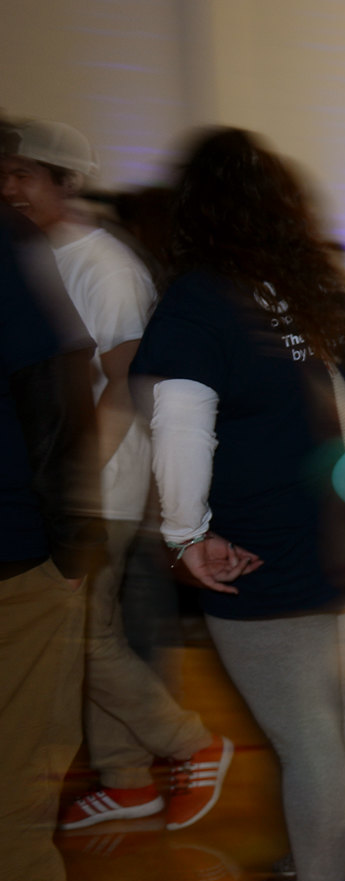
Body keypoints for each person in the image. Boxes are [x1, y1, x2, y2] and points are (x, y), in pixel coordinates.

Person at [131, 128, 345, 881]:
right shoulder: (300, 290)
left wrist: (184, 533)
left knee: (307, 734)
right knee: (331, 721)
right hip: (331, 531)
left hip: (255, 548)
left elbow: (180, 421)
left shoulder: (201, 298)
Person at [1, 121, 228, 832]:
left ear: (65, 183)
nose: (10, 186)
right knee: (84, 633)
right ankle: (128, 777)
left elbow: (125, 378)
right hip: (66, 484)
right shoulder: (32, 253)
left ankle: (190, 742)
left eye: (26, 174)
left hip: (100, 485)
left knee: (80, 637)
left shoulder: (103, 265)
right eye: (3, 173)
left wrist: (75, 479)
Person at [0, 203, 137, 881]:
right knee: (19, 762)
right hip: (14, 553)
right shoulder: (11, 247)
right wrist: (73, 540)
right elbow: (53, 392)